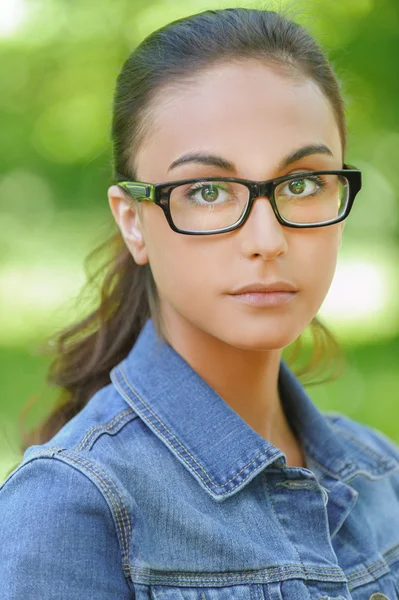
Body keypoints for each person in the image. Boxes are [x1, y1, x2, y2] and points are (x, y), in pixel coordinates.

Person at [1, 6, 398, 600]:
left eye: (301, 183)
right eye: (207, 191)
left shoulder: (383, 473)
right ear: (133, 221)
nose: (267, 241)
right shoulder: (75, 504)